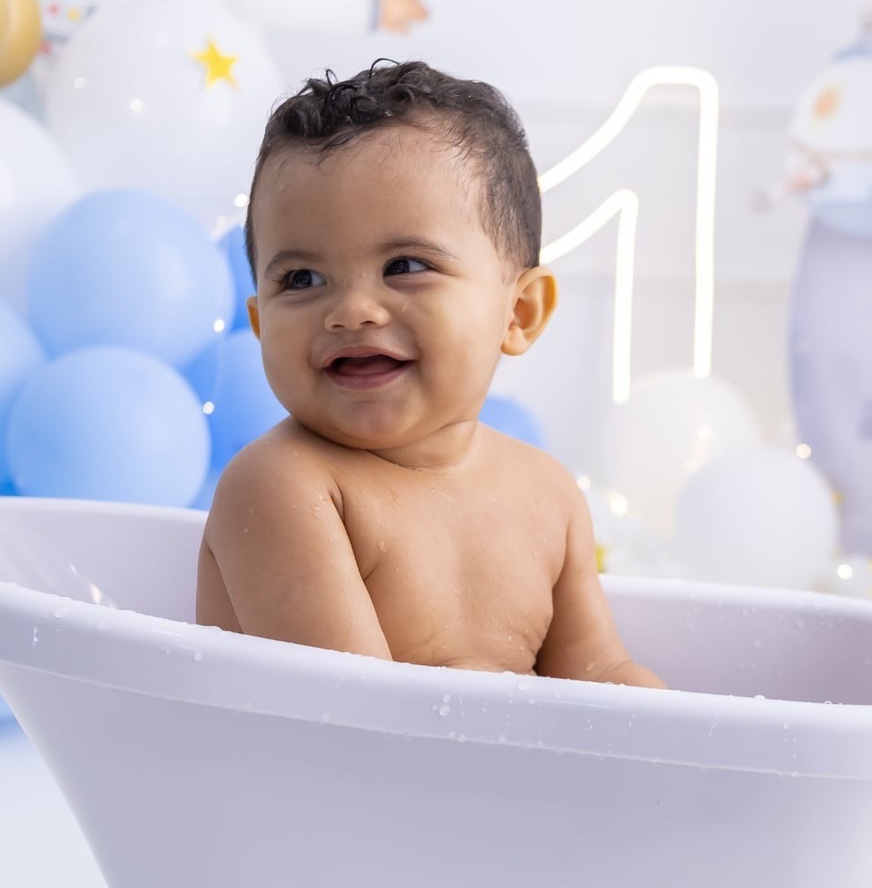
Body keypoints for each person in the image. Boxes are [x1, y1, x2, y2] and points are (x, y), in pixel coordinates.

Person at [196, 60, 664, 688]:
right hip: (324, 785)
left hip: (477, 781)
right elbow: (353, 716)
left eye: (406, 264)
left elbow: (595, 673)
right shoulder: (285, 485)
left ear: (518, 313)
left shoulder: (549, 496)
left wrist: (669, 729)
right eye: (301, 279)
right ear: (260, 322)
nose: (352, 310)